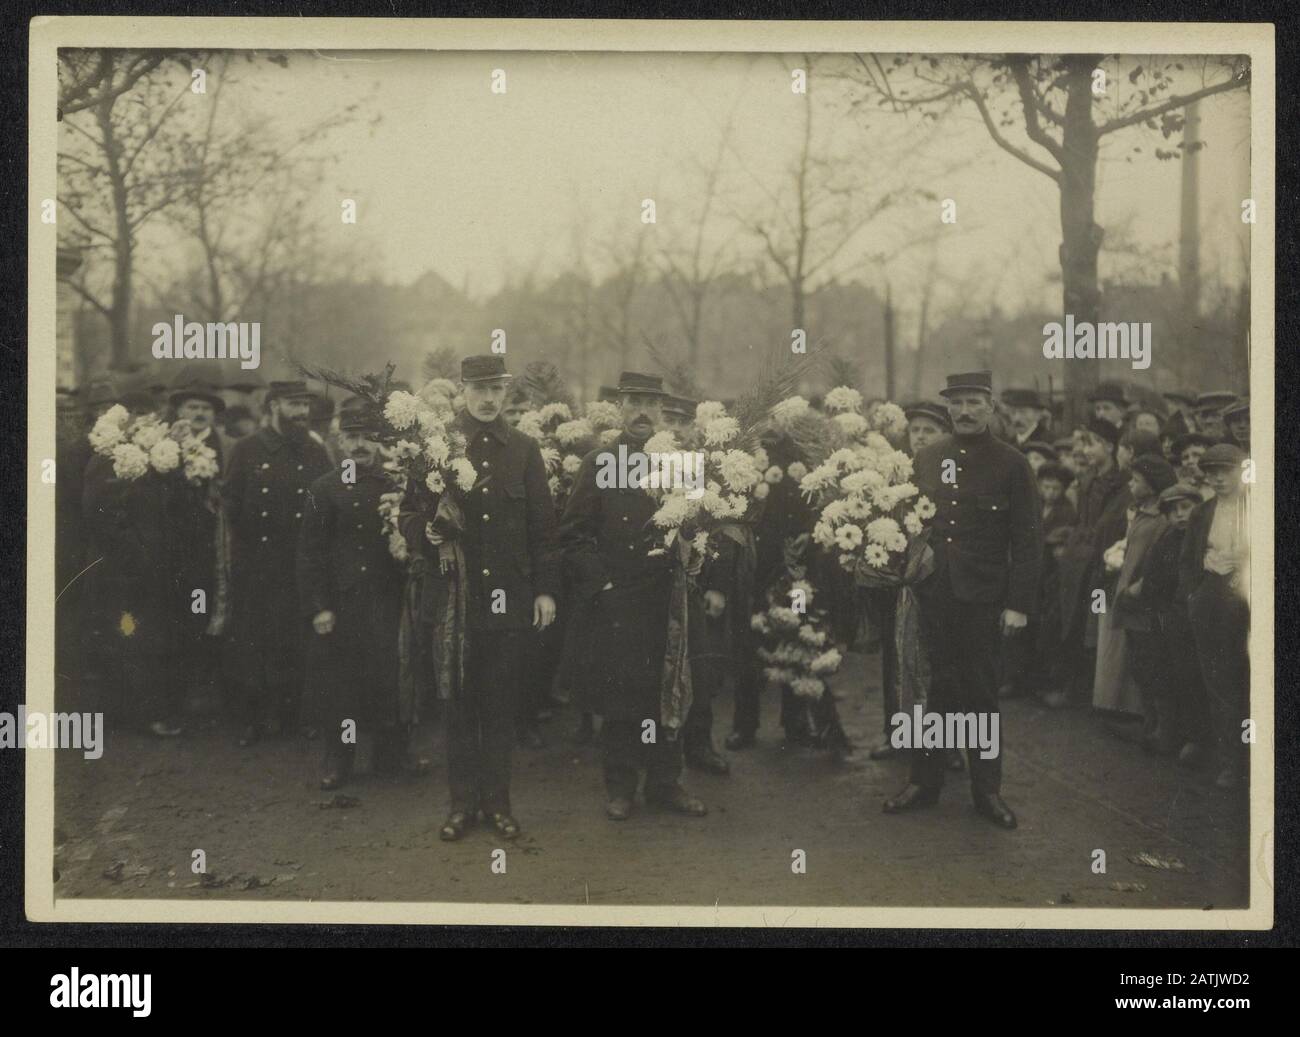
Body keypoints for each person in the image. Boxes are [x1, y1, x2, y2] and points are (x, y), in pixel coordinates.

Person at [400, 355, 560, 841]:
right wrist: (426, 532)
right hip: (453, 599)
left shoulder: (525, 450)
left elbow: (544, 529)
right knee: (457, 705)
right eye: (480, 389)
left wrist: (546, 591)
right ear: (463, 392)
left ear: (507, 393)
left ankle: (498, 804)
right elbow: (407, 517)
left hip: (507, 600)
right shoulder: (436, 449)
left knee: (498, 704)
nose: (489, 399)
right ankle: (460, 805)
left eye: (497, 389)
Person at [883, 371, 1041, 830]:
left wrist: (1019, 604)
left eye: (974, 402)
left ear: (991, 407)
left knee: (982, 694)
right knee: (933, 691)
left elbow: (1028, 541)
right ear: (948, 408)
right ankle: (923, 781)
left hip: (985, 599)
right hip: (934, 594)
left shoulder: (1012, 465)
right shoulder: (928, 458)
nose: (965, 411)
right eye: (957, 403)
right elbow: (911, 523)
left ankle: (987, 791)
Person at [558, 371, 710, 821]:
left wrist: (694, 554)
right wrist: (601, 583)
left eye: (651, 403)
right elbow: (573, 535)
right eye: (634, 402)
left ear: (662, 410)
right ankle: (620, 787)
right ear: (620, 408)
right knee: (622, 697)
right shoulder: (599, 463)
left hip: (668, 599)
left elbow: (701, 530)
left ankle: (667, 783)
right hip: (618, 601)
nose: (643, 411)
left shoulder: (683, 463)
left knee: (669, 690)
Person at [298, 397, 423, 790]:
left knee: (391, 678)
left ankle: (391, 755)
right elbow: (310, 554)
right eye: (352, 437)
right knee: (343, 688)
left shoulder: (397, 487)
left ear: (381, 441)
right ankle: (341, 759)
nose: (359, 446)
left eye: (369, 438)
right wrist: (319, 606)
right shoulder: (324, 489)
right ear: (340, 439)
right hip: (344, 603)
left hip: (389, 599)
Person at [224, 380, 334, 746]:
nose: (302, 412)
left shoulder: (315, 452)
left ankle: (294, 717)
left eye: (304, 404)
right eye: (293, 404)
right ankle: (252, 719)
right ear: (273, 406)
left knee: (297, 640)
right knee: (254, 641)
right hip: (257, 561)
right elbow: (233, 508)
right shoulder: (246, 450)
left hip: (300, 562)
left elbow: (325, 506)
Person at [1180, 443, 1251, 790]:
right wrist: (1195, 593)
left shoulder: (1258, 508)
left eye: (1226, 471)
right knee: (1218, 681)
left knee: (1250, 679)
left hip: (1250, 600)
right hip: (1211, 598)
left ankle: (1257, 763)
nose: (1219, 478)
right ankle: (1230, 764)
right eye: (1212, 472)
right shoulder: (1203, 513)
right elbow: (1189, 559)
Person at [1044, 418, 1127, 709]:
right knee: (1070, 619)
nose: (1085, 450)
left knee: (1088, 624)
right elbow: (1083, 521)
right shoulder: (1089, 481)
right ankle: (1072, 686)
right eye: (1083, 443)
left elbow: (1107, 527)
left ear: (1109, 447)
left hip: (1097, 562)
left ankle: (1085, 691)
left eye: (1091, 443)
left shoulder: (1119, 484)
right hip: (1078, 560)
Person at [1128, 482, 1210, 763]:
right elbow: (1153, 577)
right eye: (1173, 511)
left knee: (1191, 677)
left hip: (1190, 618)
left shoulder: (1201, 539)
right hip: (1165, 618)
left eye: (1186, 507)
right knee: (1163, 672)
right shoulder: (1167, 540)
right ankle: (1168, 732)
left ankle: (1196, 739)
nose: (1180, 515)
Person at [1108, 454, 1177, 745]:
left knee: (1152, 665)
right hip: (1129, 597)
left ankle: (1163, 729)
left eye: (1136, 480)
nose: (1131, 484)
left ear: (1151, 485)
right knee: (1140, 663)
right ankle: (1149, 723)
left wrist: (1137, 588)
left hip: (1144, 600)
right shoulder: (1140, 513)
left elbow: (1157, 561)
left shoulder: (1161, 518)